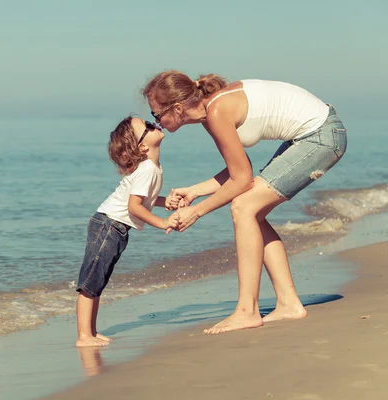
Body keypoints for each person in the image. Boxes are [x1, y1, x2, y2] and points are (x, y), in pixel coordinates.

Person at [142, 71, 347, 334]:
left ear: (178, 108)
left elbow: (241, 180)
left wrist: (197, 211)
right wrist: (194, 191)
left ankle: (247, 311)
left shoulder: (216, 111)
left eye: (156, 115)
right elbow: (239, 170)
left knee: (243, 207)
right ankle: (288, 303)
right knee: (252, 211)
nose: (155, 122)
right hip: (315, 134)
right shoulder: (209, 111)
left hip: (322, 136)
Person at [75, 116, 179, 347]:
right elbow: (134, 206)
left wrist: (165, 203)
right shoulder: (148, 169)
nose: (154, 125)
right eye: (148, 126)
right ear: (143, 146)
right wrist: (163, 223)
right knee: (91, 280)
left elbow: (144, 199)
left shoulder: (151, 168)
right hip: (109, 224)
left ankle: (90, 332)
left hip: (114, 225)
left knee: (98, 279)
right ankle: (84, 336)